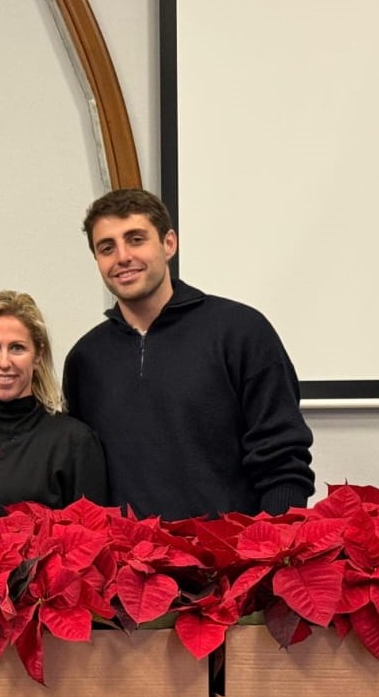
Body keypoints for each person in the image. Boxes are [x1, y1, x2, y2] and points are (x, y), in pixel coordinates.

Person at [62, 188, 315, 520]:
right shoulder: (85, 359)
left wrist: (272, 543)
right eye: (107, 247)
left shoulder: (241, 331)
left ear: (169, 243)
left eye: (136, 239)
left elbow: (283, 461)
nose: (122, 257)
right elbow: (84, 475)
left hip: (226, 550)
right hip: (127, 552)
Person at [0, 291, 107, 528]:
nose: (4, 362)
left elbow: (92, 536)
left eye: (17, 348)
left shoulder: (74, 441)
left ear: (38, 355)